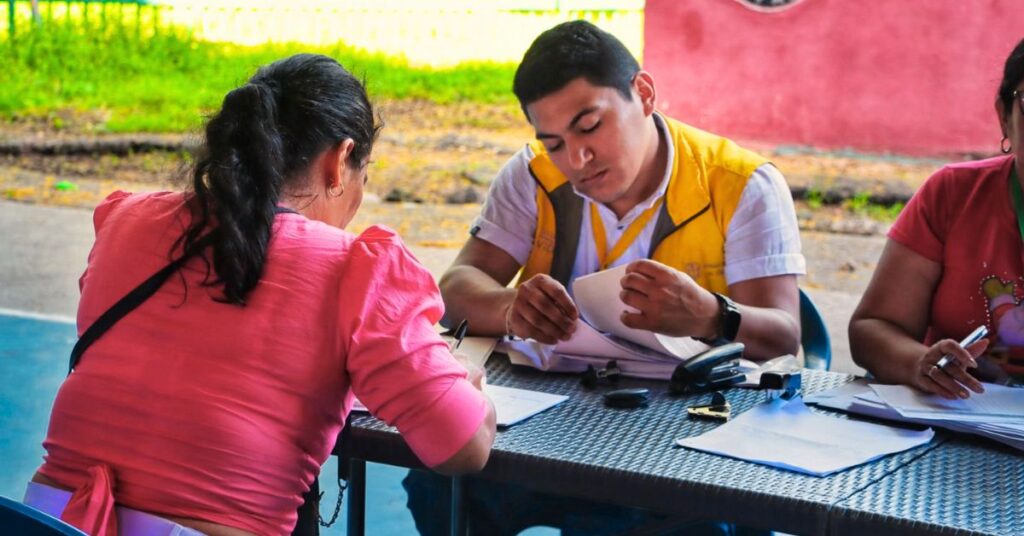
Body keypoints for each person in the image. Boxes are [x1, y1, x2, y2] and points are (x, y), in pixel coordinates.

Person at [23, 53, 496, 536]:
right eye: (363, 176)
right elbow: (463, 445)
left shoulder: (125, 221)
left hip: (45, 522)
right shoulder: (355, 268)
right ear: (338, 162)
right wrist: (466, 385)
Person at [404, 20, 805, 535]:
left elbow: (784, 336)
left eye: (590, 126)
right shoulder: (532, 177)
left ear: (643, 94)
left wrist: (711, 314)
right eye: (553, 143)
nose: (577, 159)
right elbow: (457, 286)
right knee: (439, 482)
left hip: (686, 429)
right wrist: (510, 307)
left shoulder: (740, 185)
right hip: (552, 415)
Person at [850, 38, 1024, 398]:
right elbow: (872, 328)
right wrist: (918, 363)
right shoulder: (953, 193)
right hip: (958, 422)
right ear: (1004, 117)